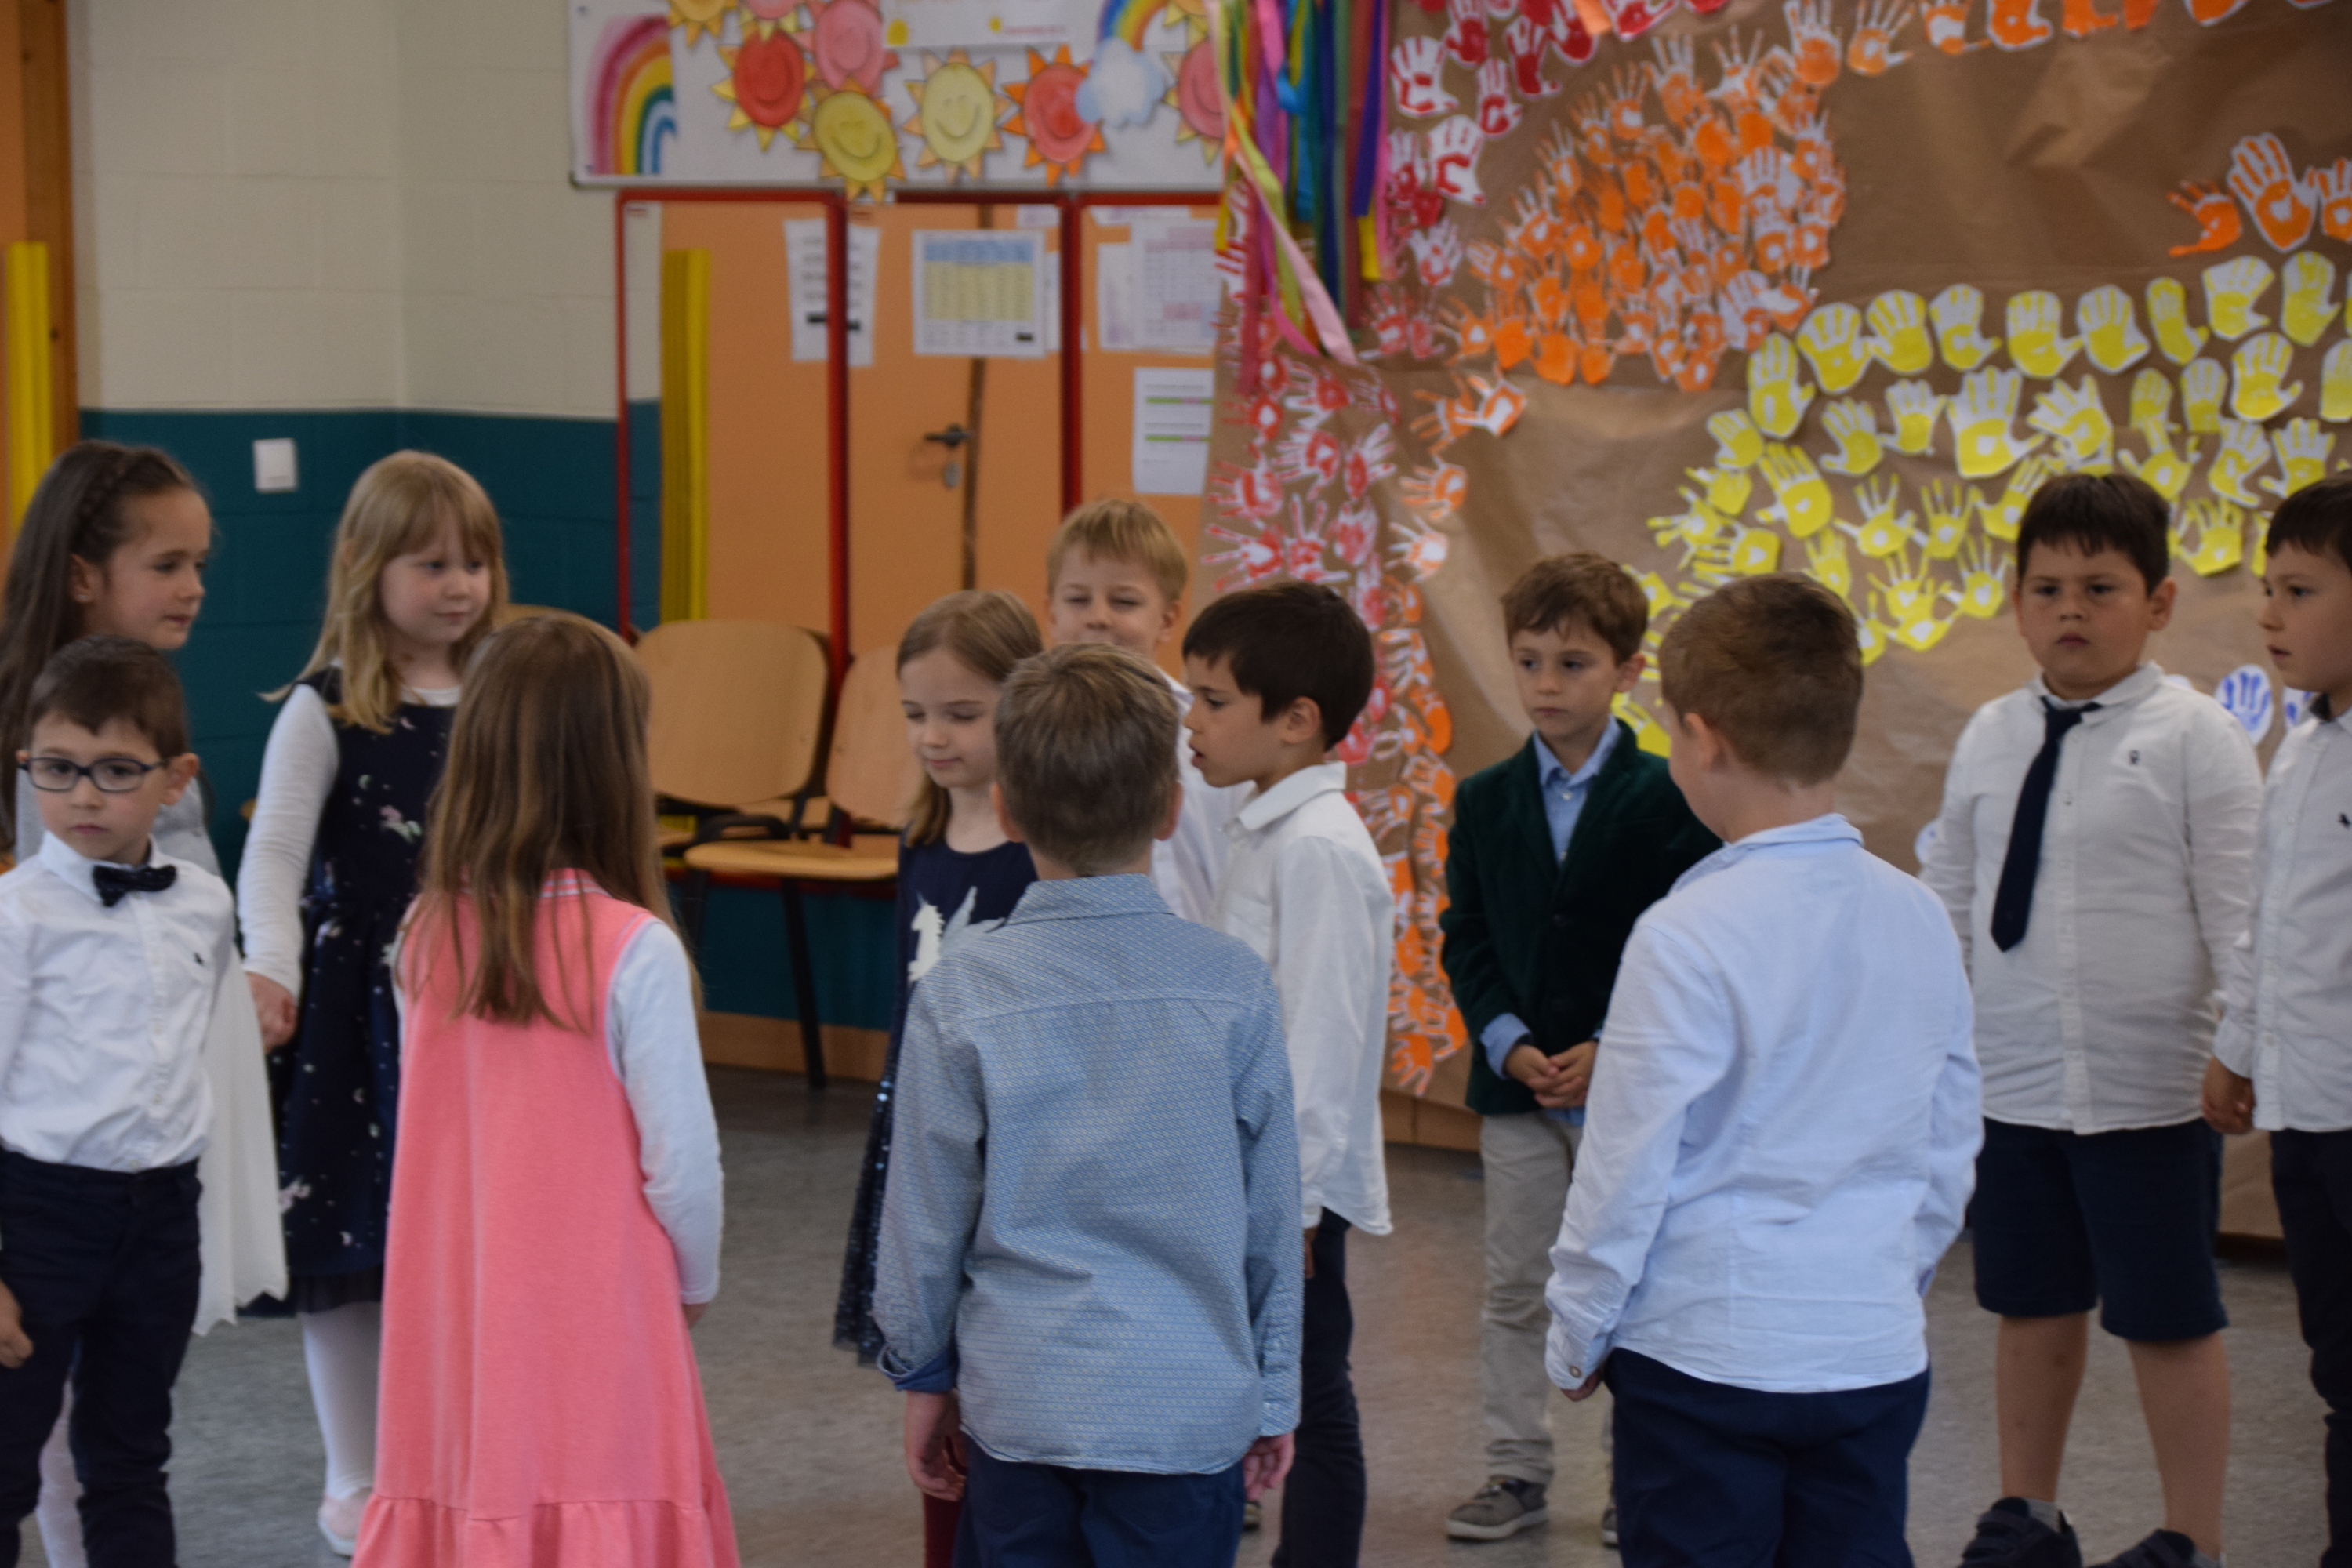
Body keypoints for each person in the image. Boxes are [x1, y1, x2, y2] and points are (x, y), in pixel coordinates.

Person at [1544, 574, 1981, 1564]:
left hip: (1705, 1355)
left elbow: (1625, 1163)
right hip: (1868, 1349)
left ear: (1702, 740)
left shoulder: (1684, 932)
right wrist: (1883, 1279)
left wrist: (1578, 1330)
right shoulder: (1918, 915)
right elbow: (1948, 1141)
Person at [873, 641, 1303, 1568]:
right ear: (1172, 807)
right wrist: (1275, 1393)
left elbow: (923, 1217)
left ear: (1009, 807)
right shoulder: (1235, 986)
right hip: (1186, 1408)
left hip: (1021, 1402)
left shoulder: (960, 992)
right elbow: (1272, 1217)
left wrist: (923, 1371)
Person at [1922, 473, 2259, 1568]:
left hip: (2147, 1090)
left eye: (2100, 588)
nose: (2071, 609)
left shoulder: (2197, 736)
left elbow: (2242, 911)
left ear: (2158, 602)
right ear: (2016, 602)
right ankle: (2029, 1515)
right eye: (2047, 588)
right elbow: (1951, 897)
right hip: (2014, 1081)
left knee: (2168, 1315)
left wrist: (2239, 1044)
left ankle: (2192, 1537)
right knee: (2030, 1305)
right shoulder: (1989, 735)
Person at [354, 613, 733, 1566]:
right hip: (600, 1317)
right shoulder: (634, 947)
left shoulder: (421, 934)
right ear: (614, 764)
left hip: (457, 1318)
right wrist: (694, 1280)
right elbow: (683, 1163)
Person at [0, 442, 285, 1568]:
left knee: (122, 1436)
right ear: (83, 574)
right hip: (46, 1164)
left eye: (202, 564)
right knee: (31, 1430)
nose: (195, 587)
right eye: (168, 564)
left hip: (155, 1152)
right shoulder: (42, 804)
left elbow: (193, 916)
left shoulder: (163, 751)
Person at [238, 450, 507, 1555]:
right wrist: (272, 968)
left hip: (480, 1010)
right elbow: (272, 856)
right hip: (361, 1022)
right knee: (351, 1254)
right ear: (365, 564)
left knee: (468, 1255)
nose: (459, 585)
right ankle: (357, 1477)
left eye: (475, 562)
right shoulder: (327, 709)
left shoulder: (505, 697)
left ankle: (460, 1465)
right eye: (431, 563)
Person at [1436, 554, 1715, 1546]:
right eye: (1528, 661)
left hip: (1626, 1092)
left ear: (1628, 670)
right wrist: (1507, 1040)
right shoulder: (1484, 798)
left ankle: (1635, 1477)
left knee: (1634, 1285)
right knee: (1519, 1285)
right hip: (1517, 1092)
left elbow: (1687, 937)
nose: (1546, 684)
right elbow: (1465, 935)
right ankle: (1514, 1467)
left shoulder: (1671, 793)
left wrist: (1611, 1042)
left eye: (1573, 663)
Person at [0, 636, 241, 1568]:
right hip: (39, 1216)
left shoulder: (205, 903)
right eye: (58, 768)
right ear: (28, 764)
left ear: (176, 778)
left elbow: (189, 1054)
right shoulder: (16, 917)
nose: (84, 796)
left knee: (132, 1456)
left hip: (161, 1214)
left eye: (115, 769)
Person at [1183, 581, 1392, 1568]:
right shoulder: (1265, 825)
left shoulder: (1319, 848)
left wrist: (1295, 1208)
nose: (1191, 721)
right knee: (1273, 1387)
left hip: (1288, 1192)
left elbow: (1320, 1042)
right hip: (1247, 1175)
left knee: (1311, 1398)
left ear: (1297, 720)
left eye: (1214, 700)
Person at [833, 590, 1040, 1566]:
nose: (933, 736)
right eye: (917, 713)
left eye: (962, 713)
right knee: (932, 1367)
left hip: (1006, 1143)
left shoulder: (1036, 856)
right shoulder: (919, 838)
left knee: (997, 1371)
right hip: (921, 1134)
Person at [2202, 474, 2352, 1568]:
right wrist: (2238, 1048)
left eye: (2298, 591)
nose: (2268, 615)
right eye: (2268, 588)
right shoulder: (2303, 743)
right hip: (2307, 1113)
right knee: (2338, 1363)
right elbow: (2268, 917)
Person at [1044, 498, 1246, 924]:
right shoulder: (1035, 734)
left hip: (1206, 952)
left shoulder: (1212, 734)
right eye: (1078, 599)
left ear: (1168, 620)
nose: (1098, 618)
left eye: (1124, 602)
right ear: (1052, 614)